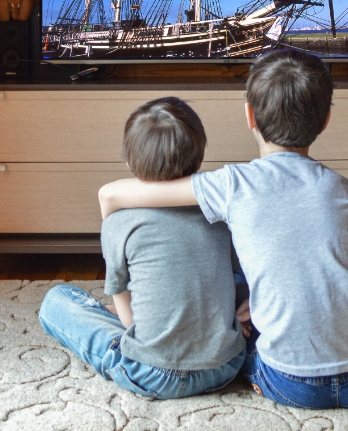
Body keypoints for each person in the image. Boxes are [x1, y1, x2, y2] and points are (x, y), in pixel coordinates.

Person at [97, 49, 348, 409]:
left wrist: (108, 201)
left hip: (288, 383)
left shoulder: (232, 184)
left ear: (249, 115)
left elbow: (137, 191)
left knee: (233, 299)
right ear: (326, 119)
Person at [39, 97, 246, 399]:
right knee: (232, 280)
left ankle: (150, 320)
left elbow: (126, 314)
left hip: (152, 374)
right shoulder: (219, 215)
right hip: (225, 366)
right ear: (199, 158)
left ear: (128, 160)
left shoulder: (118, 222)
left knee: (56, 301)